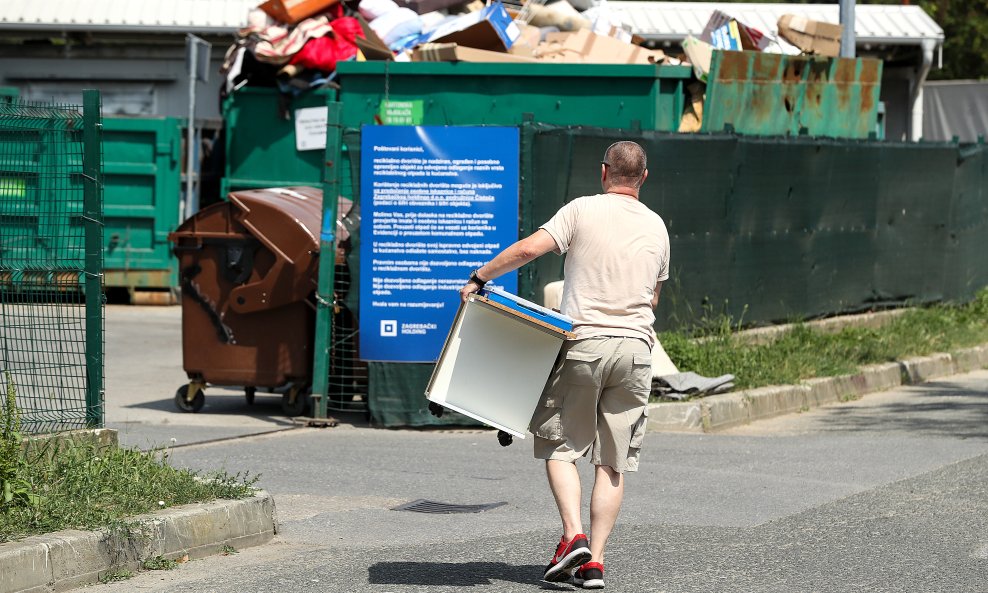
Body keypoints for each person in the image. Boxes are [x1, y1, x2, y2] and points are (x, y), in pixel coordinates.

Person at [459, 141, 670, 589]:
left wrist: (480, 277)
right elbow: (652, 295)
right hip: (636, 352)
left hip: (585, 345)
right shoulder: (656, 226)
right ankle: (595, 562)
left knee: (559, 444)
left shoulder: (582, 210)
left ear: (603, 172)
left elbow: (528, 250)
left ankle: (572, 534)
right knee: (612, 464)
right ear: (644, 178)